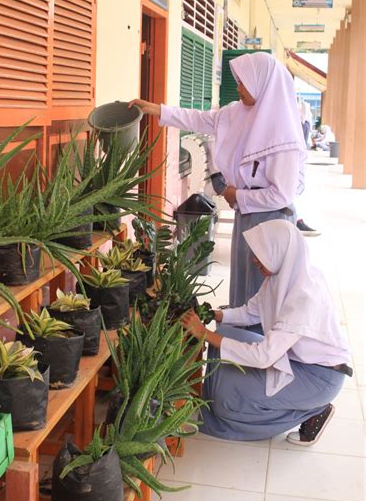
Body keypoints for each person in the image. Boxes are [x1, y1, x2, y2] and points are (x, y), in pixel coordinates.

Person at [130, 52, 307, 308]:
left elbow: (282, 195)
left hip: (272, 221)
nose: (238, 89)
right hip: (247, 215)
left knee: (264, 295)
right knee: (243, 288)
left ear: (261, 82)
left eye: (243, 82)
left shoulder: (284, 137)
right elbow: (201, 120)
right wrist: (157, 110)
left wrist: (239, 196)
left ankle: (258, 346)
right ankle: (241, 338)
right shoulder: (240, 113)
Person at [181, 220, 352, 444]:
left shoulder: (304, 297)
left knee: (229, 395)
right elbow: (251, 313)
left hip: (319, 378)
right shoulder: (285, 275)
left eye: (261, 253)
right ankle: (220, 399)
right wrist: (212, 315)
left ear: (279, 251)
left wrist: (204, 333)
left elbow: (264, 357)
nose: (254, 259)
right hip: (294, 358)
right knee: (226, 336)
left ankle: (312, 410)